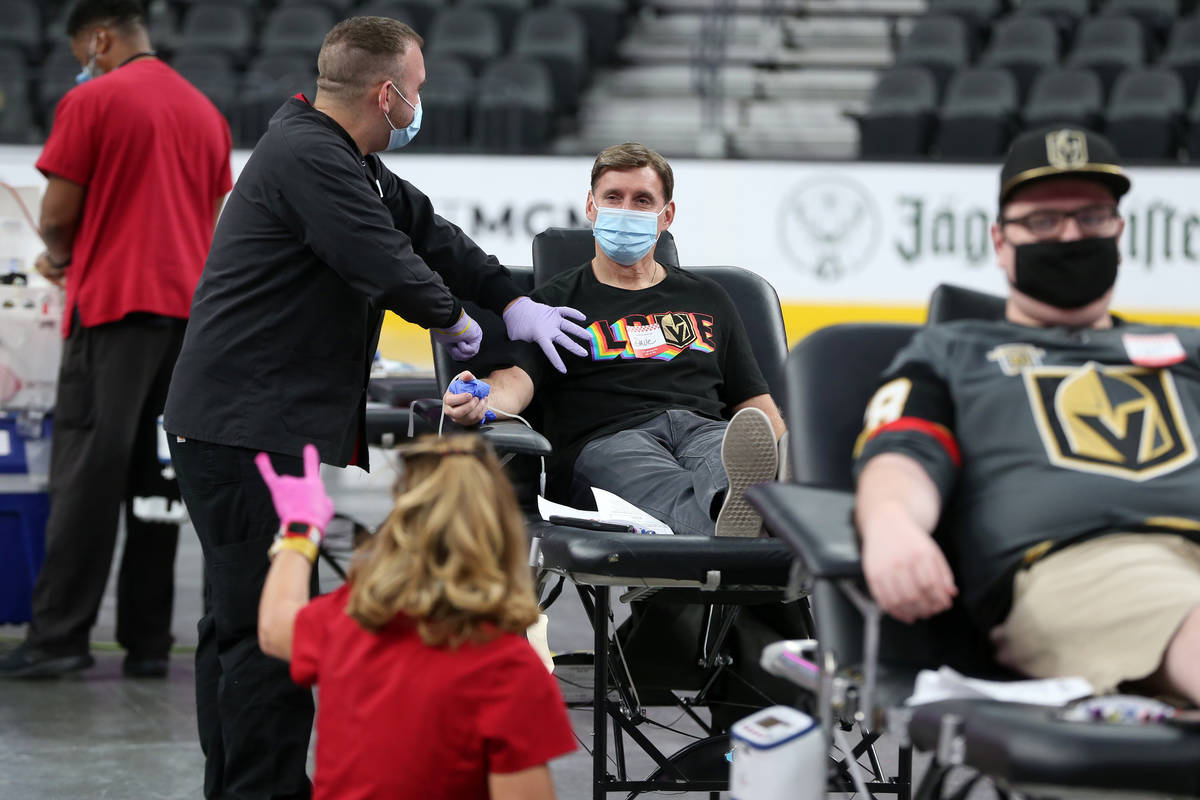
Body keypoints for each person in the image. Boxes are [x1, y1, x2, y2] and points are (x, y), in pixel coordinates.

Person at [162, 16, 588, 799]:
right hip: (242, 427)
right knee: (265, 640)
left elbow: (431, 237)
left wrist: (511, 299)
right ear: (386, 93)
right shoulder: (309, 156)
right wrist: (458, 323)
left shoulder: (346, 157)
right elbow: (379, 259)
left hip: (248, 420)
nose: (419, 106)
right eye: (417, 92)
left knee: (238, 623)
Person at [854, 126, 1200, 703]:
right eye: (1042, 221)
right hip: (1086, 566)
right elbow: (903, 451)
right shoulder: (953, 351)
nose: (1070, 235)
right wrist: (891, 523)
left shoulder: (1186, 349)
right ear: (999, 240)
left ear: (1120, 230)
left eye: (1091, 218)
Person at [0, 0, 232, 680]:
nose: (84, 66)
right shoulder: (205, 113)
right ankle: (149, 643)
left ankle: (60, 639)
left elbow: (58, 213)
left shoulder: (95, 101)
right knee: (157, 483)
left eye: (82, 55)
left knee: (86, 478)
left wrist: (58, 257)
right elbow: (214, 226)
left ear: (98, 39)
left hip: (114, 312)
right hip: (187, 323)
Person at [443, 142, 786, 538]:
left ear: (666, 215)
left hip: (702, 429)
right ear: (591, 207)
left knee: (725, 455)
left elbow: (754, 402)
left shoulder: (709, 298)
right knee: (662, 484)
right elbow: (516, 382)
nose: (626, 211)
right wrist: (480, 399)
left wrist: (787, 453)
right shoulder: (553, 304)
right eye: (613, 197)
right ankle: (745, 520)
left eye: (642, 200)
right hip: (609, 441)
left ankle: (756, 501)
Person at [254, 436, 575, 800]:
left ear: (398, 527)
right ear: (500, 537)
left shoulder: (349, 618)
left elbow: (275, 630)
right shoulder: (507, 669)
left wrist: (300, 528)